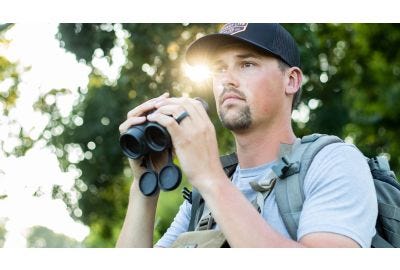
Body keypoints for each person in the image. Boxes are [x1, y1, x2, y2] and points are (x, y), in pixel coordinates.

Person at [116, 23, 377, 248]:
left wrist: (209, 176)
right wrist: (145, 184)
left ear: (291, 81)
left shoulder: (333, 162)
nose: (227, 80)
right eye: (219, 68)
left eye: (247, 64)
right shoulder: (205, 195)